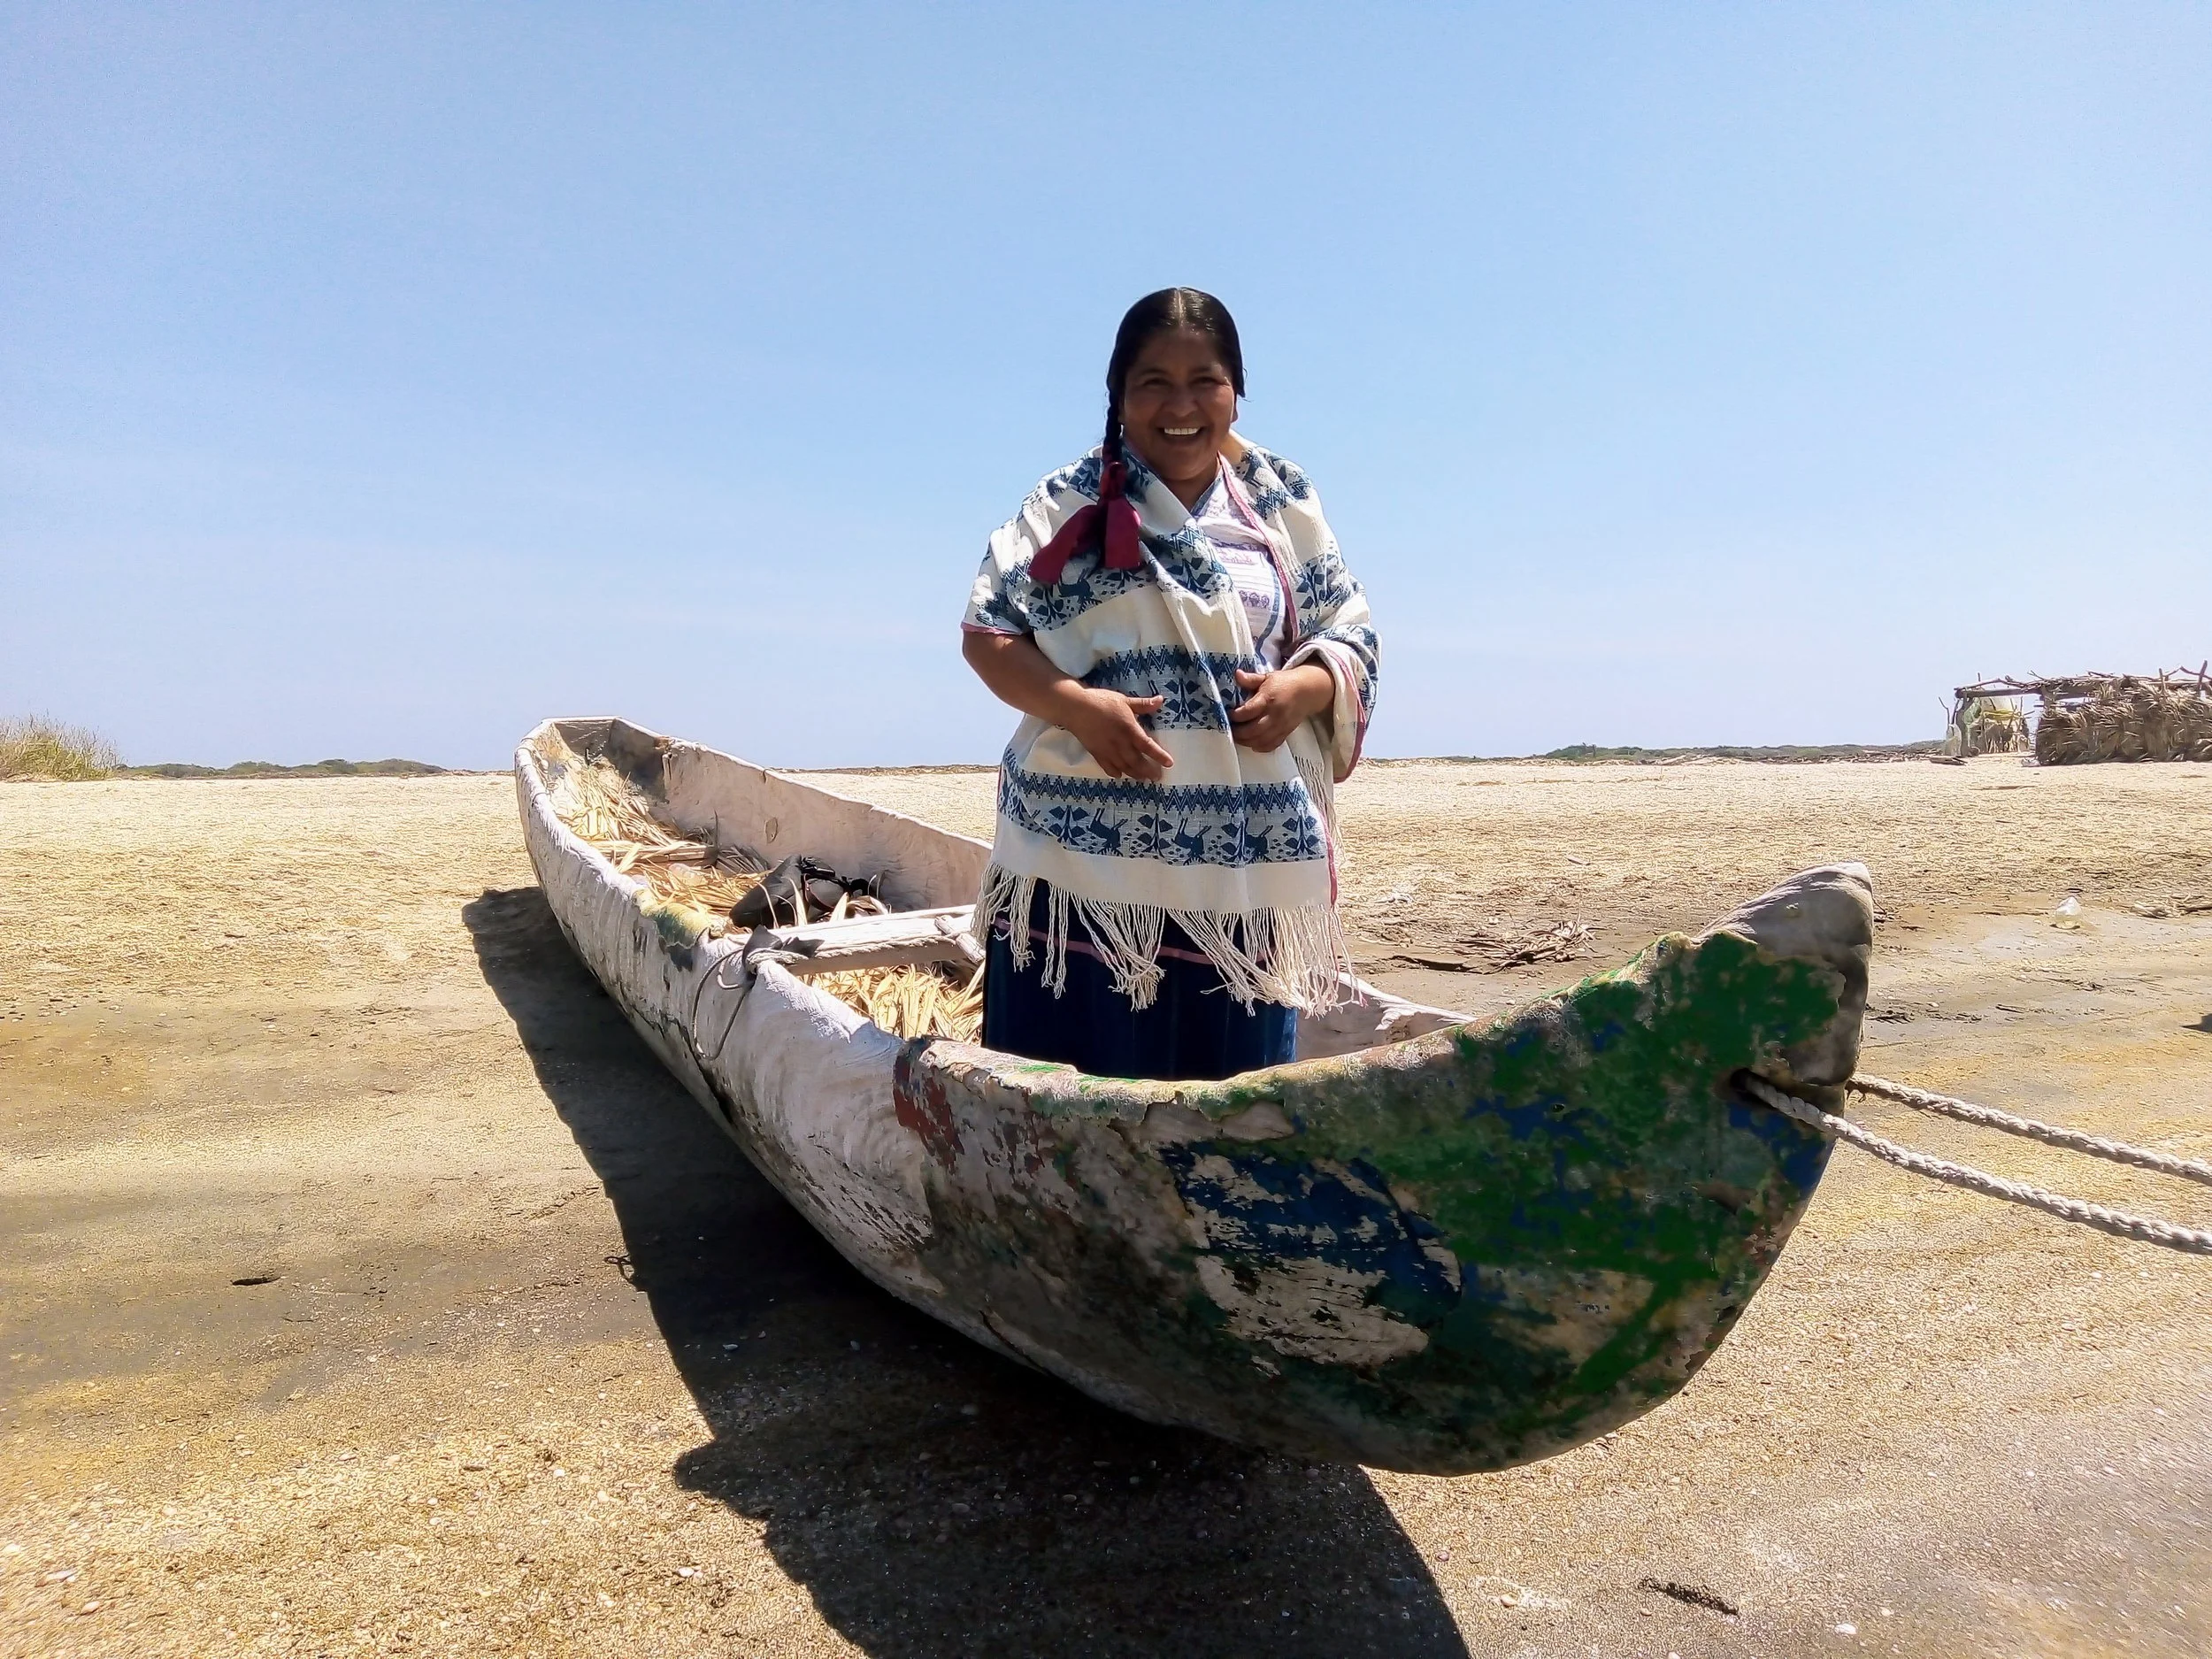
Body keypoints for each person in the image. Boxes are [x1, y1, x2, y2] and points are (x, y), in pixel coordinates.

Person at [960, 288, 1379, 1082]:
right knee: (1073, 1092)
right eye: (1153, 381)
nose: (1180, 405)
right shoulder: (1065, 504)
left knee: (1234, 1095)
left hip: (1243, 871)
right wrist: (1078, 708)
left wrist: (1309, 689)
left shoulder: (1280, 502)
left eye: (1205, 380)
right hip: (1078, 872)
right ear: (1118, 395)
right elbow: (989, 633)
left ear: (1235, 391)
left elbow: (1349, 627)